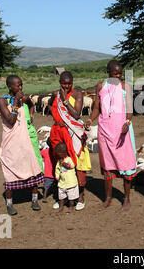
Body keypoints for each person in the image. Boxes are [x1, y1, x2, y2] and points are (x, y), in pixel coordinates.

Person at [85, 60, 137, 212]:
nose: (118, 76)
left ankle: (126, 199)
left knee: (125, 164)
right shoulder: (101, 86)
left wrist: (127, 122)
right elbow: (96, 107)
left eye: (120, 73)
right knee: (108, 165)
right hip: (105, 131)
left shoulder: (125, 86)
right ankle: (108, 198)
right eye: (115, 73)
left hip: (122, 131)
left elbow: (130, 109)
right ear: (108, 72)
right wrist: (90, 119)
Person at [0, 75, 44, 216]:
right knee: (10, 169)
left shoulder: (22, 99)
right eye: (18, 85)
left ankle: (34, 199)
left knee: (32, 166)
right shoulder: (2, 101)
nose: (20, 88)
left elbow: (31, 109)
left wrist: (29, 102)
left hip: (25, 139)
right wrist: (17, 102)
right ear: (10, 86)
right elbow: (11, 120)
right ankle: (10, 203)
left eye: (21, 85)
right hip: (11, 142)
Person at [49, 71, 89, 211]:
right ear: (59, 82)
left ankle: (80, 196)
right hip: (58, 133)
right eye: (63, 83)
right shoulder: (55, 94)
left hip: (72, 132)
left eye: (69, 83)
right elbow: (50, 106)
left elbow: (76, 114)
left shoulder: (77, 93)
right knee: (60, 162)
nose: (66, 86)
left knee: (76, 163)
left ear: (72, 82)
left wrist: (66, 99)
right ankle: (62, 197)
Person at [54, 142, 79, 213]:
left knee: (71, 197)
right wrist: (57, 176)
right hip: (62, 183)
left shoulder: (69, 159)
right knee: (61, 196)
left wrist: (63, 163)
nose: (58, 155)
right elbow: (57, 170)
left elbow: (70, 166)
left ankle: (71, 207)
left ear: (64, 152)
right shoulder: (59, 161)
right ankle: (61, 206)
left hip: (70, 183)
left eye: (59, 153)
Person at [41, 138, 56, 203]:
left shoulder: (45, 151)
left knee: (46, 186)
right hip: (56, 172)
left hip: (47, 172)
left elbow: (39, 155)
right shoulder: (56, 152)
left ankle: (44, 197)